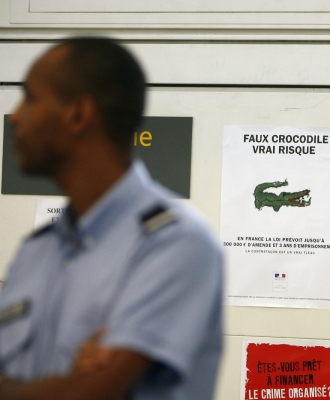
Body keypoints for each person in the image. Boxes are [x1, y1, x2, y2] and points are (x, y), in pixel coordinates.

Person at [0, 37, 223, 399]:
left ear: (78, 114)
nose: (14, 115)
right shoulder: (35, 252)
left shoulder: (175, 243)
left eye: (30, 97)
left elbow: (92, 393)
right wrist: (64, 383)